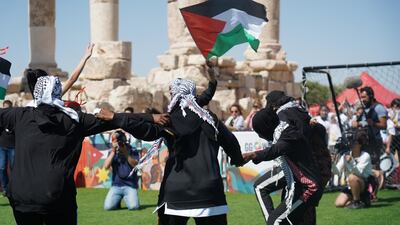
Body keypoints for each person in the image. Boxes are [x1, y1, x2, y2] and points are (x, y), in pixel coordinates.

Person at [1, 73, 169, 225]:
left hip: (22, 198)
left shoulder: (18, 115)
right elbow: (116, 118)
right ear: (59, 92)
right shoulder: (74, 120)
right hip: (58, 197)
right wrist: (151, 117)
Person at [156, 77, 245, 225]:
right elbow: (231, 143)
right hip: (208, 189)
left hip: (175, 189)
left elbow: (142, 129)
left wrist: (115, 119)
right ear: (193, 94)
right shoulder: (210, 118)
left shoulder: (167, 120)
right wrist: (238, 159)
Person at [242, 91, 324, 225]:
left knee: (276, 221)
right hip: (303, 178)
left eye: (260, 133)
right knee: (278, 220)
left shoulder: (284, 122)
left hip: (307, 186)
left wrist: (254, 154)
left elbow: (280, 147)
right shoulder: (298, 113)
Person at [333, 128, 373, 209]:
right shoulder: (345, 156)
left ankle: (357, 202)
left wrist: (351, 161)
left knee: (352, 177)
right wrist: (332, 163)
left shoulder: (365, 156)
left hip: (364, 185)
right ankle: (362, 200)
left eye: (354, 143)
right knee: (338, 204)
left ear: (360, 145)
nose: (352, 144)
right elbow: (336, 172)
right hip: (350, 185)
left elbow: (358, 173)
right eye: (351, 143)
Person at [103, 130, 140, 210]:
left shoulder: (132, 150)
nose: (116, 143)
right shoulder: (112, 151)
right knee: (108, 207)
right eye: (114, 141)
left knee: (134, 207)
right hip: (116, 185)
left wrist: (126, 153)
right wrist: (113, 152)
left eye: (117, 141)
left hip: (130, 185)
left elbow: (135, 165)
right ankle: (117, 200)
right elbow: (105, 167)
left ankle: (126, 198)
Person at [0, 100, 15, 197]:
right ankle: (5, 189)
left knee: (15, 168)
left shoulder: (15, 119)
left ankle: (14, 188)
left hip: (13, 147)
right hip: (2, 147)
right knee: (2, 168)